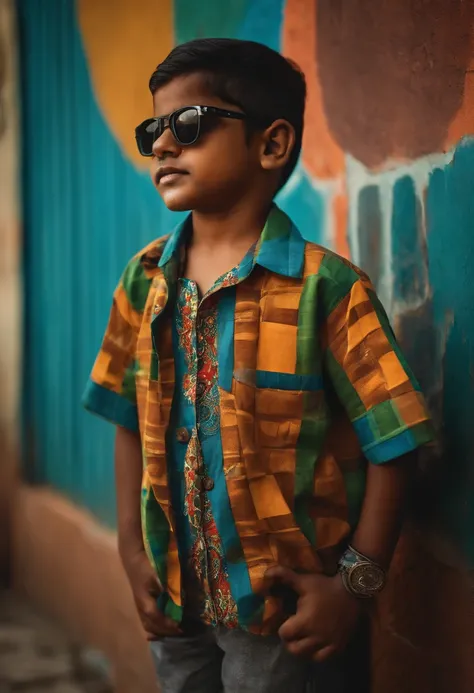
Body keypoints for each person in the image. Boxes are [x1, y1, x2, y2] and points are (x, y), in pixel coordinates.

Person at [82, 38, 434, 693]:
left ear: (271, 145)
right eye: (152, 129)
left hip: (288, 622)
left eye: (187, 124)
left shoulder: (326, 289)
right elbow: (125, 416)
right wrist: (133, 553)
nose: (162, 144)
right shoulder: (143, 281)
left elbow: (397, 441)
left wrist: (353, 586)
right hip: (176, 605)